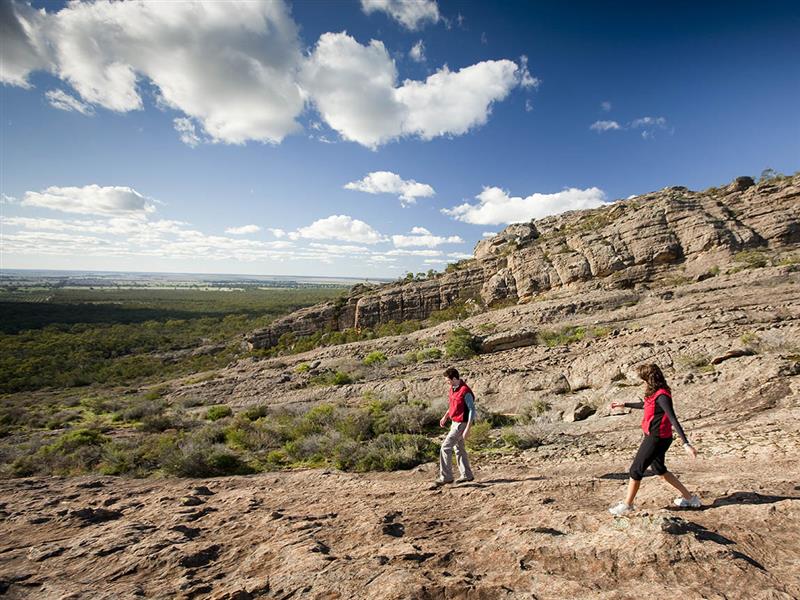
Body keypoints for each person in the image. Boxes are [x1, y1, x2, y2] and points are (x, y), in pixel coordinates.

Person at [608, 363, 700, 515]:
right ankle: (690, 499)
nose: (642, 382)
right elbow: (646, 405)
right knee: (659, 469)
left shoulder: (662, 396)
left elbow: (673, 419)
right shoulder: (654, 393)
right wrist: (624, 404)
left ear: (648, 379)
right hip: (656, 437)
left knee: (635, 470)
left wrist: (686, 443)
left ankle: (627, 505)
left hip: (657, 438)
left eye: (643, 379)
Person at [435, 367, 476, 486]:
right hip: (454, 422)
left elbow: (472, 410)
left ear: (454, 378)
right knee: (459, 449)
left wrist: (468, 428)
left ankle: (446, 477)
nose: (446, 382)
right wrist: (445, 416)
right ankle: (467, 475)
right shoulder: (453, 389)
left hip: (461, 424)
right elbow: (453, 405)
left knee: (445, 447)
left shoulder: (465, 391)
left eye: (448, 380)